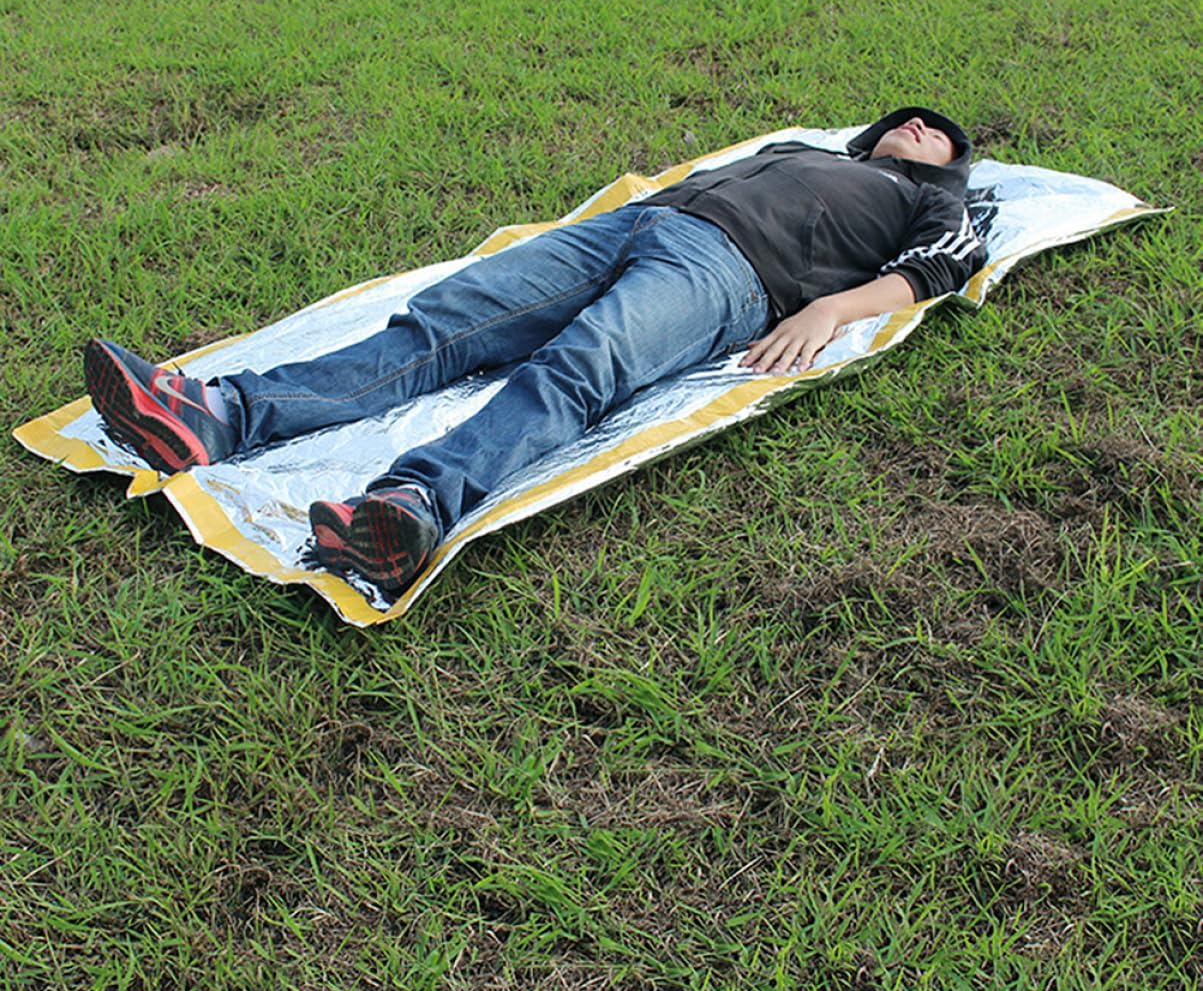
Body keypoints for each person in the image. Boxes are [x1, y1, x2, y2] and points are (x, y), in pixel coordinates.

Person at [84, 106, 985, 596]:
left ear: (948, 162)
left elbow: (946, 264)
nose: (919, 127)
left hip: (729, 273)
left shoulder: (925, 199)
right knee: (443, 323)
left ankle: (408, 506)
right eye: (907, 119)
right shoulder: (801, 147)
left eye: (937, 133)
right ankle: (218, 414)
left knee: (578, 367)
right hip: (632, 226)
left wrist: (831, 307)